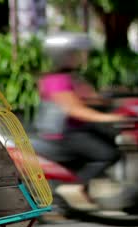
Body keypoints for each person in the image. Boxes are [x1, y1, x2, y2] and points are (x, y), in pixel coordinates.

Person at [35, 32, 125, 210]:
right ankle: (76, 187)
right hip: (64, 135)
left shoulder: (73, 78)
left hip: (77, 131)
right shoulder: (56, 80)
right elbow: (74, 110)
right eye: (76, 53)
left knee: (112, 144)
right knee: (107, 154)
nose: (81, 57)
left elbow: (94, 99)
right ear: (64, 55)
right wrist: (111, 118)